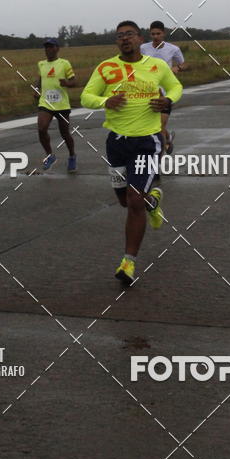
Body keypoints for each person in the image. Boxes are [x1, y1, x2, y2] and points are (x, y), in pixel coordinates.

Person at [81, 20, 183, 286]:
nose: (124, 39)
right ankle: (154, 202)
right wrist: (106, 101)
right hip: (116, 142)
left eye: (129, 34)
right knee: (126, 202)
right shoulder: (106, 68)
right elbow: (86, 97)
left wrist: (168, 100)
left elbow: (175, 87)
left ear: (140, 39)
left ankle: (128, 262)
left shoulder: (156, 66)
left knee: (134, 199)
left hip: (147, 142)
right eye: (119, 36)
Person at [140, 21, 185, 154]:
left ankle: (158, 158)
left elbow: (185, 64)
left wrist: (178, 67)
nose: (155, 36)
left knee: (160, 125)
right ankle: (168, 137)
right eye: (153, 34)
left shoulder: (173, 49)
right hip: (147, 91)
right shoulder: (143, 48)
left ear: (163, 33)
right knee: (152, 126)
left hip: (165, 93)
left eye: (158, 33)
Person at [33, 38, 77, 173]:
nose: (48, 50)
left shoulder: (64, 63)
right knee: (41, 128)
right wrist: (36, 89)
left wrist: (67, 84)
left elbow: (73, 81)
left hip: (61, 105)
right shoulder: (41, 64)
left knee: (65, 133)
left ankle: (72, 156)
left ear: (57, 48)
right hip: (45, 103)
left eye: (51, 47)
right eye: (46, 47)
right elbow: (40, 80)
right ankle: (50, 155)